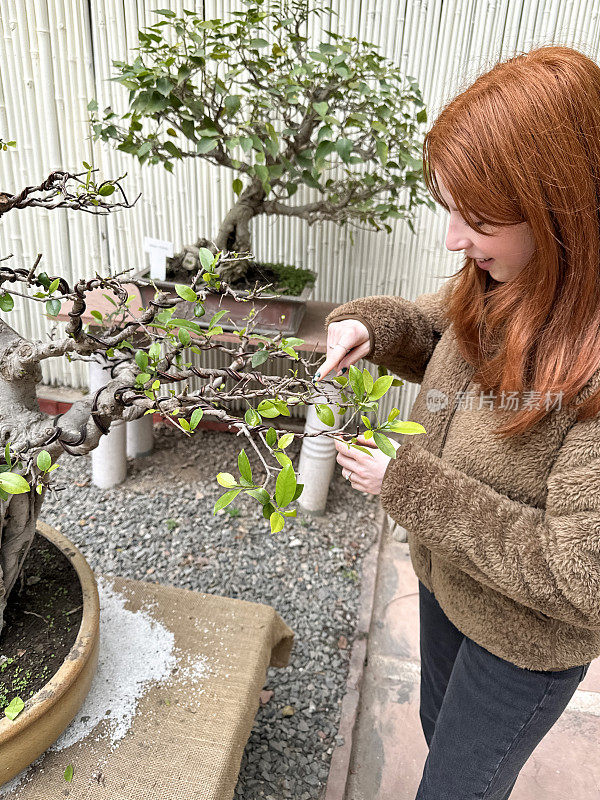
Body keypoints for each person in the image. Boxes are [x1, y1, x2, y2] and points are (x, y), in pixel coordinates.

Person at [316, 45, 600, 799]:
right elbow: (446, 333)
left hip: (524, 642)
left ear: (561, 207)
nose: (453, 240)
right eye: (446, 207)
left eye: (475, 218)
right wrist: (372, 329)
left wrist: (407, 487)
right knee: (438, 728)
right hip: (449, 580)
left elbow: (583, 578)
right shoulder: (507, 272)